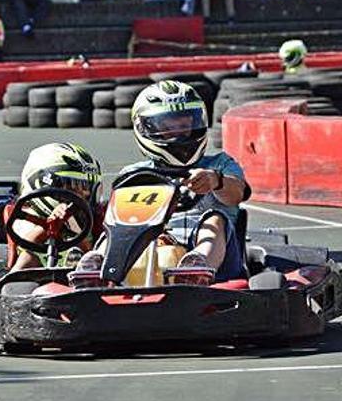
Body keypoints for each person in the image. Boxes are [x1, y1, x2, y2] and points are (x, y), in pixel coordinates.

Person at [77, 81, 249, 282]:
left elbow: (237, 193)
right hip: (146, 246)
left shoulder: (220, 164)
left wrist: (215, 181)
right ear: (146, 128)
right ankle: (98, 265)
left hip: (216, 262)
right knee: (118, 224)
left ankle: (198, 267)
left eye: (185, 126)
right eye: (168, 128)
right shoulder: (135, 173)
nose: (178, 134)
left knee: (214, 218)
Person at [10, 142, 104, 271]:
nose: (83, 194)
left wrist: (72, 223)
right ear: (41, 183)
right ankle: (9, 280)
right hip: (36, 274)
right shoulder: (25, 216)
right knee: (29, 256)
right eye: (72, 186)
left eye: (86, 187)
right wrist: (51, 224)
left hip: (86, 271)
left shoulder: (95, 217)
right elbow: (26, 242)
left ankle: (74, 261)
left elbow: (91, 249)